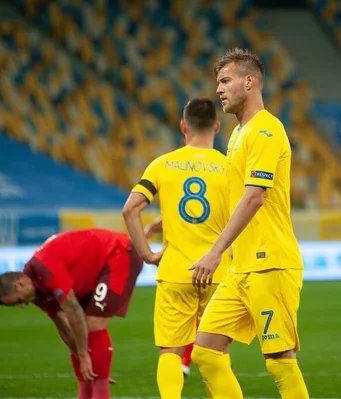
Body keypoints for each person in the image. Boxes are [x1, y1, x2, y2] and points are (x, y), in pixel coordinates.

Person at [188, 48, 309, 399]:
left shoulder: (267, 130)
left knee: (278, 360)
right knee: (206, 351)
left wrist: (214, 252)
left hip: (270, 262)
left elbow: (254, 197)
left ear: (249, 80)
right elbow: (234, 198)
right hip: (241, 268)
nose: (219, 90)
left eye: (226, 80)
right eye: (218, 82)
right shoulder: (238, 134)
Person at [122, 97, 231, 398]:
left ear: (183, 126)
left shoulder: (162, 164)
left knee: (170, 351)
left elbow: (130, 210)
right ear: (217, 126)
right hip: (219, 273)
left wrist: (147, 255)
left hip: (175, 271)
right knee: (216, 354)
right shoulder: (229, 166)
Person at [0, 228, 144, 399]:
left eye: (19, 300)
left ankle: (101, 394)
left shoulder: (45, 268)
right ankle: (85, 393)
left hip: (118, 254)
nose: (22, 305)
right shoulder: (35, 290)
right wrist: (87, 361)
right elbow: (63, 325)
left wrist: (85, 355)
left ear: (19, 285)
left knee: (92, 324)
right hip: (97, 268)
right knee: (80, 332)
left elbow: (73, 309)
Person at [144, 217, 196, 381]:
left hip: (178, 267)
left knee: (179, 326)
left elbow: (130, 209)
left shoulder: (175, 196)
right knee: (208, 319)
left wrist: (152, 229)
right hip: (214, 262)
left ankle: (182, 363)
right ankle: (217, 360)